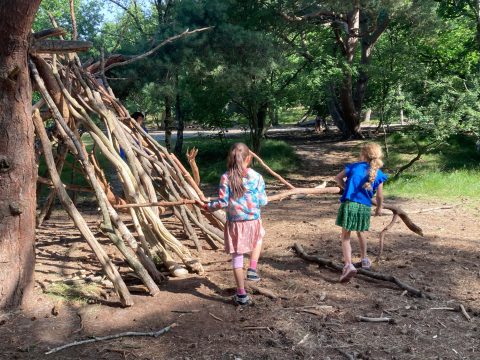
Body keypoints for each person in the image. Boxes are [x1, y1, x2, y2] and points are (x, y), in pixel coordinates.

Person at [197, 143, 268, 306]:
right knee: (258, 238)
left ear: (230, 158)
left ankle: (241, 294)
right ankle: (252, 269)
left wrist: (207, 206)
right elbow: (263, 201)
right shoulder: (257, 177)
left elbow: (221, 203)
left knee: (237, 256)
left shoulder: (225, 177)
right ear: (249, 159)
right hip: (253, 221)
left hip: (235, 224)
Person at [334, 143, 388, 283]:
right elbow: (380, 196)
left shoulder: (354, 167)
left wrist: (345, 188)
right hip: (365, 207)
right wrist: (379, 208)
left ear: (363, 155)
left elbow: (337, 178)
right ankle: (364, 259)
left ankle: (348, 265)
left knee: (345, 236)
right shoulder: (379, 173)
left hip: (350, 204)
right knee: (361, 232)